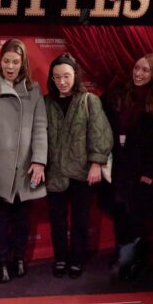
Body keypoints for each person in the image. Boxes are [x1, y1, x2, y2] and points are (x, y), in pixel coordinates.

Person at [0, 39, 47, 283]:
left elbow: (39, 127)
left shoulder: (34, 90)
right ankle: (2, 261)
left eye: (15, 61)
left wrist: (39, 161)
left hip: (25, 167)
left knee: (23, 219)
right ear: (0, 61)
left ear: (22, 63)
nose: (11, 66)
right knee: (0, 218)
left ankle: (19, 259)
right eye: (6, 61)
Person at [104, 53, 153, 281]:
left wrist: (151, 174)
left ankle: (134, 261)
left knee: (139, 217)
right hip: (121, 168)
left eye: (145, 70)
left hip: (145, 172)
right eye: (137, 68)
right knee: (121, 215)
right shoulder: (121, 95)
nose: (139, 73)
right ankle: (124, 256)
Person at [44, 53, 113, 279]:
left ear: (75, 76)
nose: (62, 81)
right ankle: (61, 258)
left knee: (80, 220)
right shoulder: (46, 102)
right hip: (54, 172)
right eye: (57, 77)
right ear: (52, 79)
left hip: (82, 172)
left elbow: (100, 134)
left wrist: (96, 163)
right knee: (57, 220)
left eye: (66, 76)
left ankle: (77, 259)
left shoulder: (89, 100)